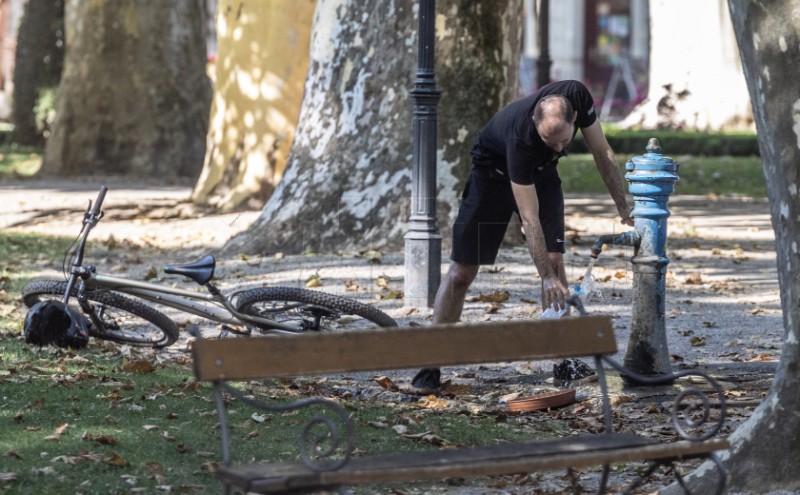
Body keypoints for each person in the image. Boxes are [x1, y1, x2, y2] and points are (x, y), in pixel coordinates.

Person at [411, 79, 634, 391]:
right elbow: (529, 221)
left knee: (556, 263)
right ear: (534, 122)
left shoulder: (577, 96)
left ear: (574, 119)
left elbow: (602, 153)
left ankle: (563, 363)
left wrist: (623, 207)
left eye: (563, 143)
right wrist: (543, 277)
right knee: (462, 272)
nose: (558, 149)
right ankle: (429, 365)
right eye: (549, 142)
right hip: (493, 177)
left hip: (542, 176)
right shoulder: (522, 142)